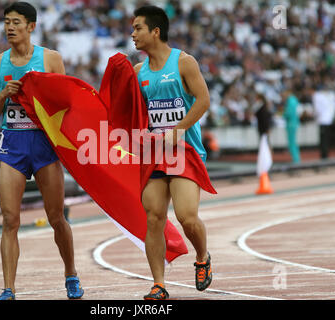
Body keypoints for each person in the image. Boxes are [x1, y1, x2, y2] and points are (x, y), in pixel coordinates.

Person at [0, 2, 83, 300]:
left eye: (15, 22)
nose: (9, 27)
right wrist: (4, 94)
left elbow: (68, 104)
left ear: (31, 26)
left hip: (43, 146)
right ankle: (8, 288)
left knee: (56, 217)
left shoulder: (50, 59)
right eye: (5, 22)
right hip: (13, 145)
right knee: (9, 219)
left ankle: (71, 274)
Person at [132, 5, 212, 300]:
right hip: (154, 154)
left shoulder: (184, 62)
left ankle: (202, 256)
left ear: (155, 31)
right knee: (153, 217)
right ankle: (158, 284)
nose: (133, 35)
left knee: (187, 216)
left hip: (185, 151)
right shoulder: (138, 71)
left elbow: (203, 101)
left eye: (138, 28)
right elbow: (133, 113)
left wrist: (177, 131)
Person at [282, 89, 301, 163]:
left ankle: (296, 159)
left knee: (292, 142)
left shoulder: (290, 101)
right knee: (293, 142)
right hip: (294, 122)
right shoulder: (294, 101)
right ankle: (296, 158)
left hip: (291, 123)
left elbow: (289, 113)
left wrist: (283, 114)